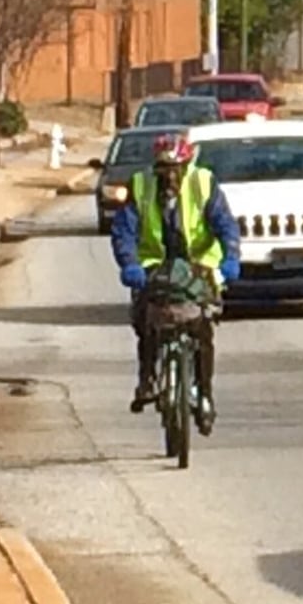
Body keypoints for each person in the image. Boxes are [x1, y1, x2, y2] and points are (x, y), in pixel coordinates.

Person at [109, 132, 240, 435]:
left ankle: (204, 394)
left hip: (199, 266)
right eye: (163, 170)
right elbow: (124, 231)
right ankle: (148, 380)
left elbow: (225, 225)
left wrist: (230, 258)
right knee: (145, 319)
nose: (170, 176)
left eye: (176, 169)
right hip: (154, 266)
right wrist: (130, 264)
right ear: (155, 168)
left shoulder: (203, 184)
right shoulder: (141, 186)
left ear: (186, 166)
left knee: (203, 328)